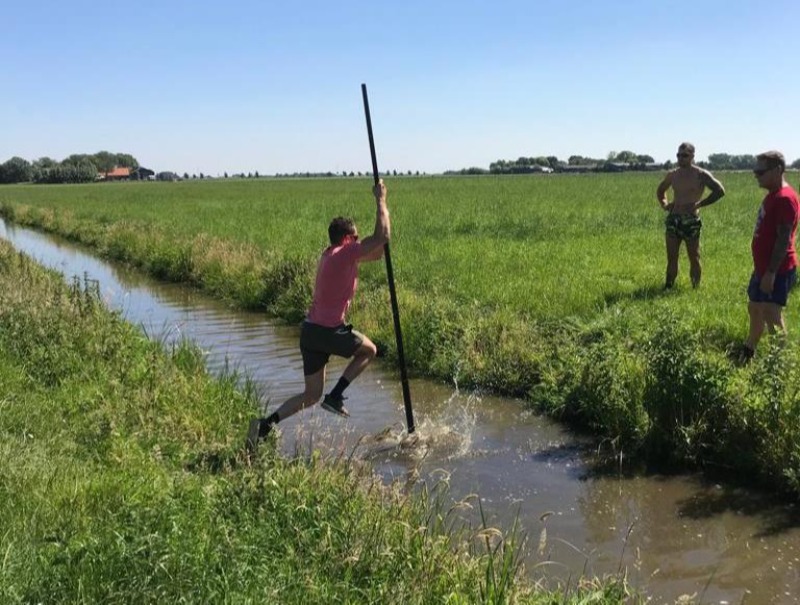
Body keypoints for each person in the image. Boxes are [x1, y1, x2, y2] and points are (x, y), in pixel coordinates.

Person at [246, 179, 390, 450]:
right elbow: (380, 238)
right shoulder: (344, 254)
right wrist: (381, 200)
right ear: (347, 239)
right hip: (329, 330)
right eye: (356, 238)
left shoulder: (332, 255)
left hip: (310, 331)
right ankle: (335, 397)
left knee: (311, 395)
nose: (358, 242)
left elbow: (377, 251)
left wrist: (380, 237)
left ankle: (264, 425)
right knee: (369, 350)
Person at [739, 151, 799, 362]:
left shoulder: (784, 199)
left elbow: (784, 239)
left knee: (772, 315)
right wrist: (762, 270)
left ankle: (779, 364)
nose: (756, 175)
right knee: (755, 307)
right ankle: (749, 350)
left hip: (778, 270)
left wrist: (771, 273)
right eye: (756, 171)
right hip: (763, 268)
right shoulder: (773, 195)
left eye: (761, 171)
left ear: (777, 170)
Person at [656, 142, 726, 288]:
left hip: (691, 220)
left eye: (685, 156)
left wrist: (700, 204)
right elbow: (661, 190)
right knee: (671, 257)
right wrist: (665, 204)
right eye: (678, 155)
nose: (681, 158)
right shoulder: (673, 174)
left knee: (694, 257)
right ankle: (668, 286)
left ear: (692, 156)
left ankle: (695, 288)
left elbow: (719, 191)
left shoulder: (700, 174)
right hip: (674, 219)